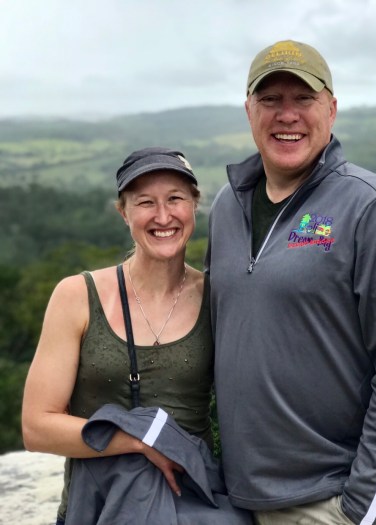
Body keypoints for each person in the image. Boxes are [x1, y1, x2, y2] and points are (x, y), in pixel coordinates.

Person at [205, 40, 376, 524]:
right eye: (270, 100)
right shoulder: (228, 205)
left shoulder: (374, 209)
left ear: (331, 110)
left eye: (303, 99)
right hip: (233, 496)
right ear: (249, 111)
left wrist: (360, 507)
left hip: (325, 500)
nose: (286, 115)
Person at [22, 148, 246, 524]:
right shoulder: (77, 296)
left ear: (195, 205)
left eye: (175, 199)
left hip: (191, 508)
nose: (163, 216)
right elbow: (37, 427)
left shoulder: (217, 298)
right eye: (145, 202)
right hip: (100, 508)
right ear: (123, 212)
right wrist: (139, 442)